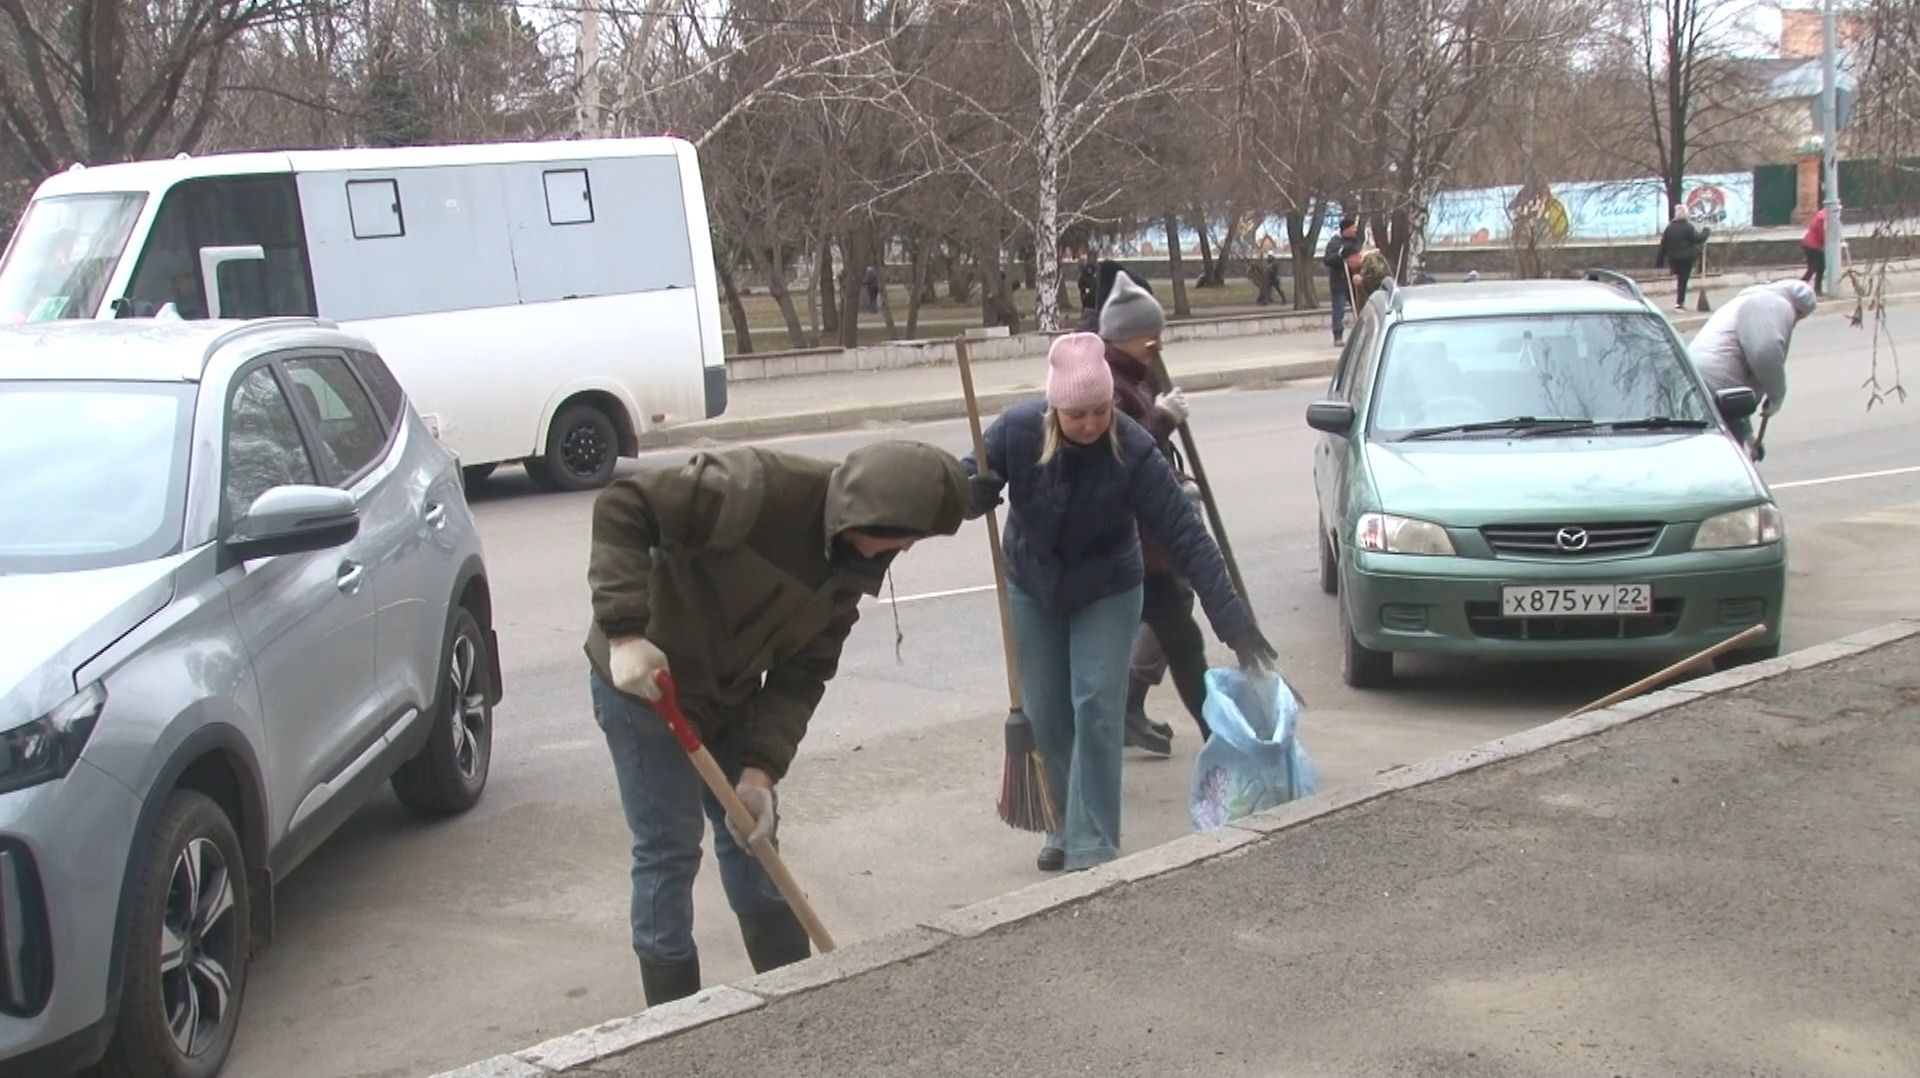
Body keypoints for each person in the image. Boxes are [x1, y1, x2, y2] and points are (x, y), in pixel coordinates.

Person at [585, 441, 969, 1006]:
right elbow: (625, 505)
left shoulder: (852, 570)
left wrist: (759, 773)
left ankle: (792, 999)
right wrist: (624, 632)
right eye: (909, 534)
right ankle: (670, 1020)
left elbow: (802, 675)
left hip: (728, 692)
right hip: (646, 681)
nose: (909, 547)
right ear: (872, 515)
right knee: (668, 848)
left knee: (752, 837)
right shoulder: (757, 489)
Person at [965, 333, 1276, 873]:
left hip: (1109, 585)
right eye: (1077, 414)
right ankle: (1062, 824)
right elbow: (961, 476)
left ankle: (1094, 844)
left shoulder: (1132, 447)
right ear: (1054, 408)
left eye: (1099, 411)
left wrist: (1237, 627)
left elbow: (1187, 537)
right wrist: (971, 491)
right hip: (1032, 581)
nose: (1090, 424)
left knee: (1097, 705)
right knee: (1048, 710)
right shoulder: (1017, 430)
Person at [1097, 273, 1212, 757]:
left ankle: (1221, 738)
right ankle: (1099, 730)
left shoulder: (1134, 375)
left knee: (1183, 638)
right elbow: (1120, 452)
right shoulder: (1106, 383)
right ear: (1135, 336)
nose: (1158, 344)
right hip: (1124, 540)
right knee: (1120, 645)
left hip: (1150, 535)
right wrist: (1161, 417)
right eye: (1152, 335)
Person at [1688, 280, 1816, 459]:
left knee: (1710, 447)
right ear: (1800, 309)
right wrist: (1777, 395)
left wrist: (1749, 438)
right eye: (1800, 316)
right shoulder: (1774, 304)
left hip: (1697, 376)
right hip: (1715, 381)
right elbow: (1765, 352)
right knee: (1727, 456)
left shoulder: (1751, 301)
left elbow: (1737, 394)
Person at [1655, 204, 1710, 312]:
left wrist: (1659, 262)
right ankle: (1679, 304)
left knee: (1680, 279)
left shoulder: (1669, 228)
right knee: (1683, 281)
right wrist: (1706, 231)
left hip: (1673, 259)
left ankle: (1679, 303)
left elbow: (1663, 245)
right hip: (1686, 259)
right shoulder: (1688, 227)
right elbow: (1698, 239)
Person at [1322, 217, 1362, 344]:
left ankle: (1362, 333)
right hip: (1339, 282)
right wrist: (1339, 255)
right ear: (1346, 229)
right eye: (1353, 227)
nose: (1355, 230)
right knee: (1339, 310)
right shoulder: (1335, 243)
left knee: (1360, 307)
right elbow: (1327, 260)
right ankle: (1338, 336)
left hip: (1353, 281)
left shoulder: (1355, 242)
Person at [1800, 208, 1829, 294]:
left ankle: (1800, 286)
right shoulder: (1824, 218)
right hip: (1813, 245)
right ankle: (1817, 289)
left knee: (1812, 268)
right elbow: (1823, 234)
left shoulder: (1821, 215)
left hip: (1808, 243)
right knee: (1820, 267)